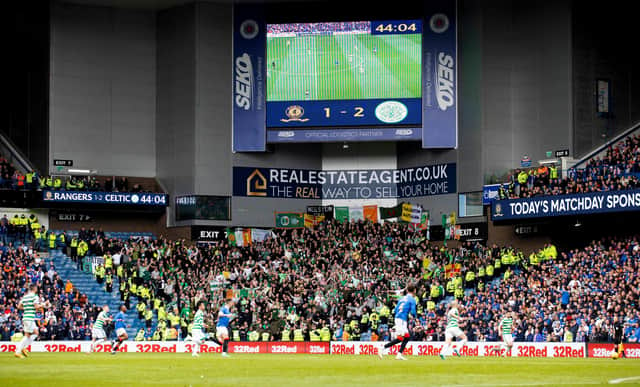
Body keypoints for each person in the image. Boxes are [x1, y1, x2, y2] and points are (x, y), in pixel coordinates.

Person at [378, 284, 416, 361]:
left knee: (406, 337)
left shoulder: (402, 299)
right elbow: (413, 311)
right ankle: (382, 348)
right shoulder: (412, 299)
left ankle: (398, 354)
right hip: (402, 319)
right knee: (401, 338)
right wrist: (413, 316)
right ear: (414, 290)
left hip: (398, 318)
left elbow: (395, 310)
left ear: (407, 290)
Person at [14, 284, 49, 359]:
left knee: (36, 333)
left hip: (27, 317)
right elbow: (36, 307)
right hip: (29, 318)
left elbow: (19, 306)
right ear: (35, 288)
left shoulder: (25, 296)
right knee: (27, 335)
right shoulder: (34, 296)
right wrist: (43, 304)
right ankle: (18, 351)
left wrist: (27, 308)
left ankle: (24, 347)